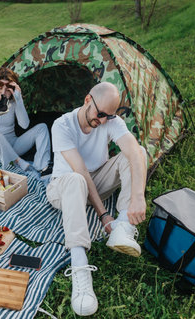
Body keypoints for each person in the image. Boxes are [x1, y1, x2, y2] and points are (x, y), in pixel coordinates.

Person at [46, 82, 147, 316]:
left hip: (97, 182)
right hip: (64, 188)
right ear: (87, 100)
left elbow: (132, 152)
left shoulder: (110, 120)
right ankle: (79, 264)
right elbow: (80, 172)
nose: (102, 121)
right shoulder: (62, 125)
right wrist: (103, 215)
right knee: (76, 180)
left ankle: (122, 226)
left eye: (109, 117)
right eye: (100, 114)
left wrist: (138, 198)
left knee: (139, 153)